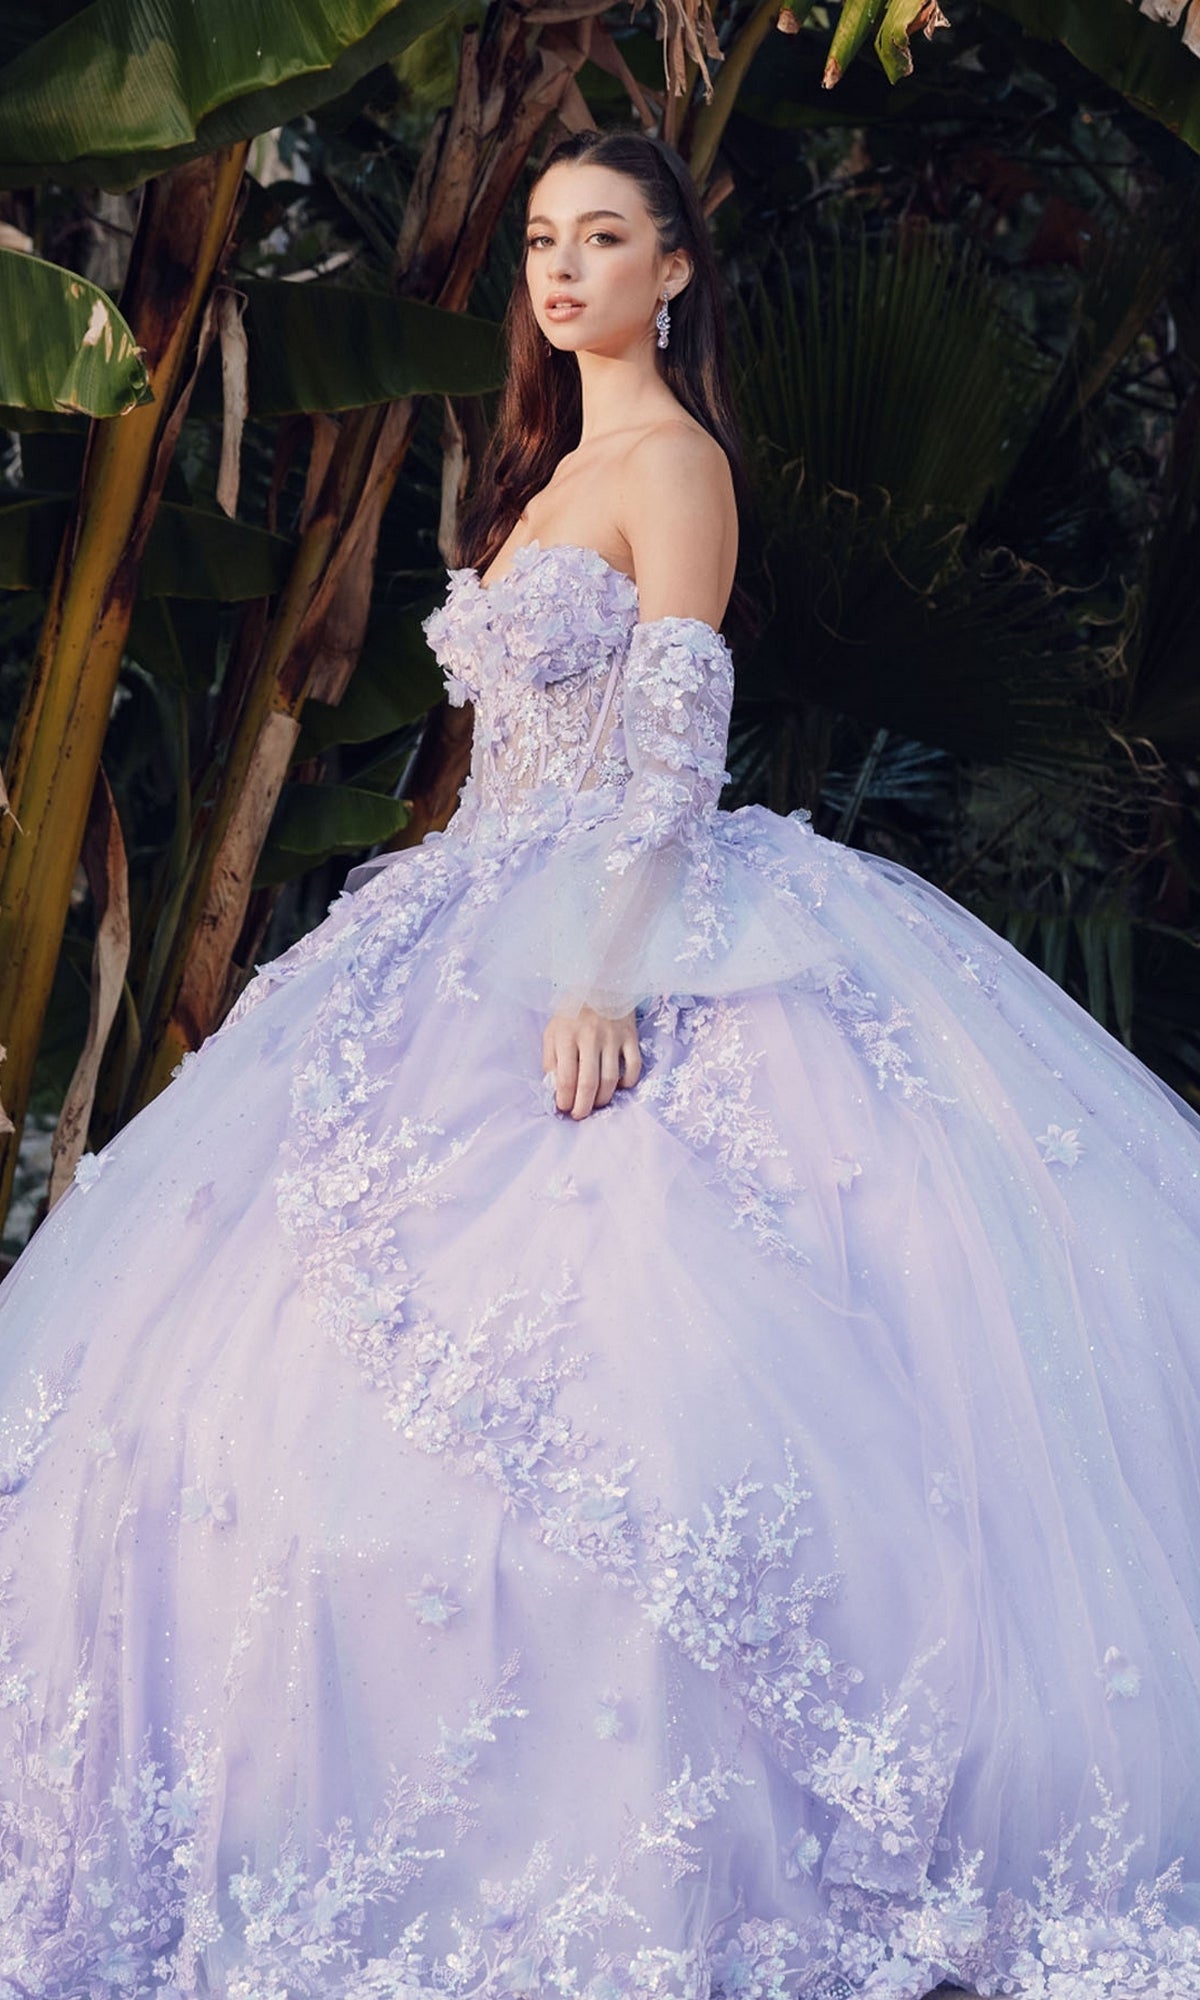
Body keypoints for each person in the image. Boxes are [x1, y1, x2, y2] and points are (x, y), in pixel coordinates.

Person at [1, 123, 1199, 2000]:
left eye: (604, 238)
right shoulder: (541, 470)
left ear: (676, 270)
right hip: (464, 910)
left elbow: (666, 758)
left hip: (618, 915)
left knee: (649, 1374)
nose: (561, 272)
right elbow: (508, 758)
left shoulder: (677, 469)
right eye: (544, 240)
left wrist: (597, 967)